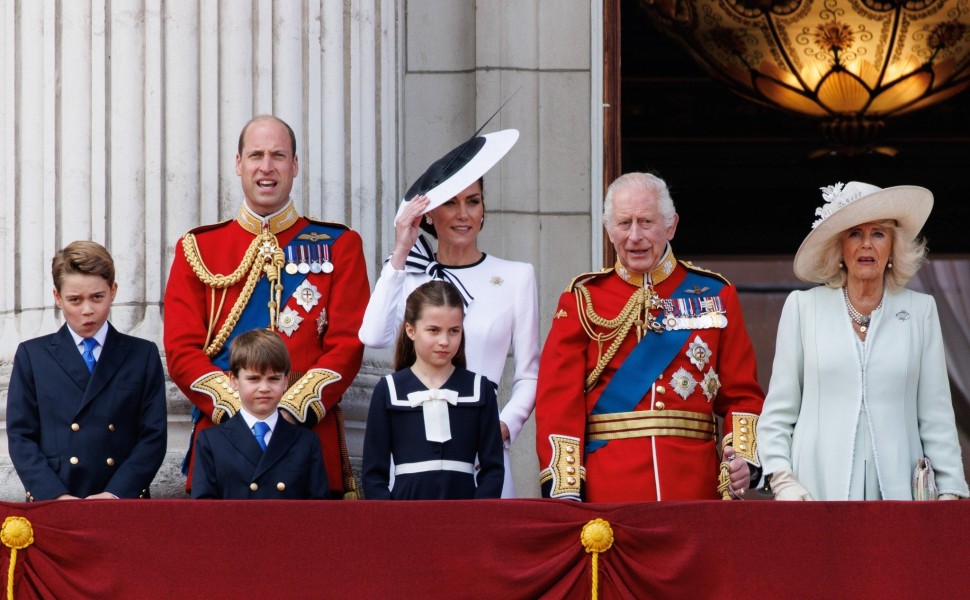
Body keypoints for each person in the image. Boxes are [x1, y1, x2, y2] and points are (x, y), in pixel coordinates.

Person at [164, 115, 369, 498]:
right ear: (239, 163)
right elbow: (180, 350)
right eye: (256, 155)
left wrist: (290, 408)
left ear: (294, 165)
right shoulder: (198, 249)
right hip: (222, 442)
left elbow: (348, 343)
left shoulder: (340, 245)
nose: (267, 166)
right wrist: (238, 410)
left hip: (309, 439)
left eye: (278, 155)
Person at [534, 172, 764, 502]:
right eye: (624, 223)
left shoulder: (716, 294)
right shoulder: (583, 299)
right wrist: (566, 491)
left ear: (671, 226)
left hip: (695, 489)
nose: (634, 236)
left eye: (646, 222)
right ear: (608, 229)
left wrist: (742, 458)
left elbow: (742, 394)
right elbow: (558, 402)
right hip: (609, 490)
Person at [758, 181, 969, 501]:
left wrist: (950, 491)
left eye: (878, 233)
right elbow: (778, 413)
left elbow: (936, 414)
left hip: (899, 496)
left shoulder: (920, 310)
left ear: (893, 247)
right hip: (815, 493)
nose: (866, 244)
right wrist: (784, 480)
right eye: (854, 233)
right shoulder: (803, 308)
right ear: (840, 247)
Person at [358, 129, 538, 497]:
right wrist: (399, 254)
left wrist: (501, 427)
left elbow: (529, 375)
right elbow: (372, 336)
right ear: (429, 214)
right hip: (412, 461)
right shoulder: (408, 275)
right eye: (450, 203)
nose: (463, 214)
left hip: (481, 456)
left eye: (473, 201)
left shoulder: (518, 277)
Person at [7, 241, 167, 501]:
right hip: (56, 500)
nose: (87, 310)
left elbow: (153, 436)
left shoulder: (142, 355)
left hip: (121, 503)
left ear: (113, 291)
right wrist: (55, 495)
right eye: (75, 300)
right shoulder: (33, 355)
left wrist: (115, 494)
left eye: (97, 297)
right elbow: (21, 436)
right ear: (58, 297)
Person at [362, 280, 504, 499]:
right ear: (411, 330)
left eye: (454, 331)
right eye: (434, 330)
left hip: (466, 517)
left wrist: (478, 516)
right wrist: (390, 518)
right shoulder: (389, 389)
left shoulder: (480, 388)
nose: (444, 341)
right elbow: (373, 474)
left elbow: (493, 468)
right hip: (405, 517)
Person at [191, 329, 329, 499]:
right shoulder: (211, 441)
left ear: (285, 382)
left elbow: (318, 512)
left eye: (273, 379)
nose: (264, 388)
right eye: (253, 379)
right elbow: (204, 510)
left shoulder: (306, 442)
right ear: (234, 381)